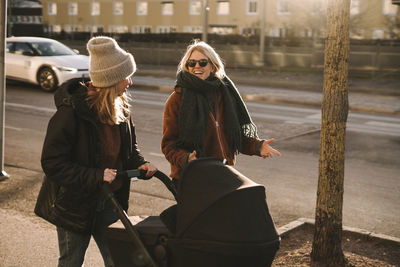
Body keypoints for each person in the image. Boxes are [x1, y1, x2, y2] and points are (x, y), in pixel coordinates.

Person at [34, 36, 157, 267]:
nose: (129, 82)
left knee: (118, 260)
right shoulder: (70, 114)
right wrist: (95, 176)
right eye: (125, 77)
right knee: (71, 261)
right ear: (110, 80)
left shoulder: (121, 108)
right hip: (75, 204)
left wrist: (140, 163)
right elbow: (52, 163)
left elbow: (129, 150)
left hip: (110, 202)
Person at [161, 40, 280, 181]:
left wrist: (258, 146)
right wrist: (187, 159)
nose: (196, 66)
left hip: (223, 172)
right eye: (191, 63)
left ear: (212, 66)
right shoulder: (177, 99)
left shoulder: (224, 94)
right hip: (191, 177)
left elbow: (234, 136)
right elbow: (168, 145)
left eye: (202, 62)